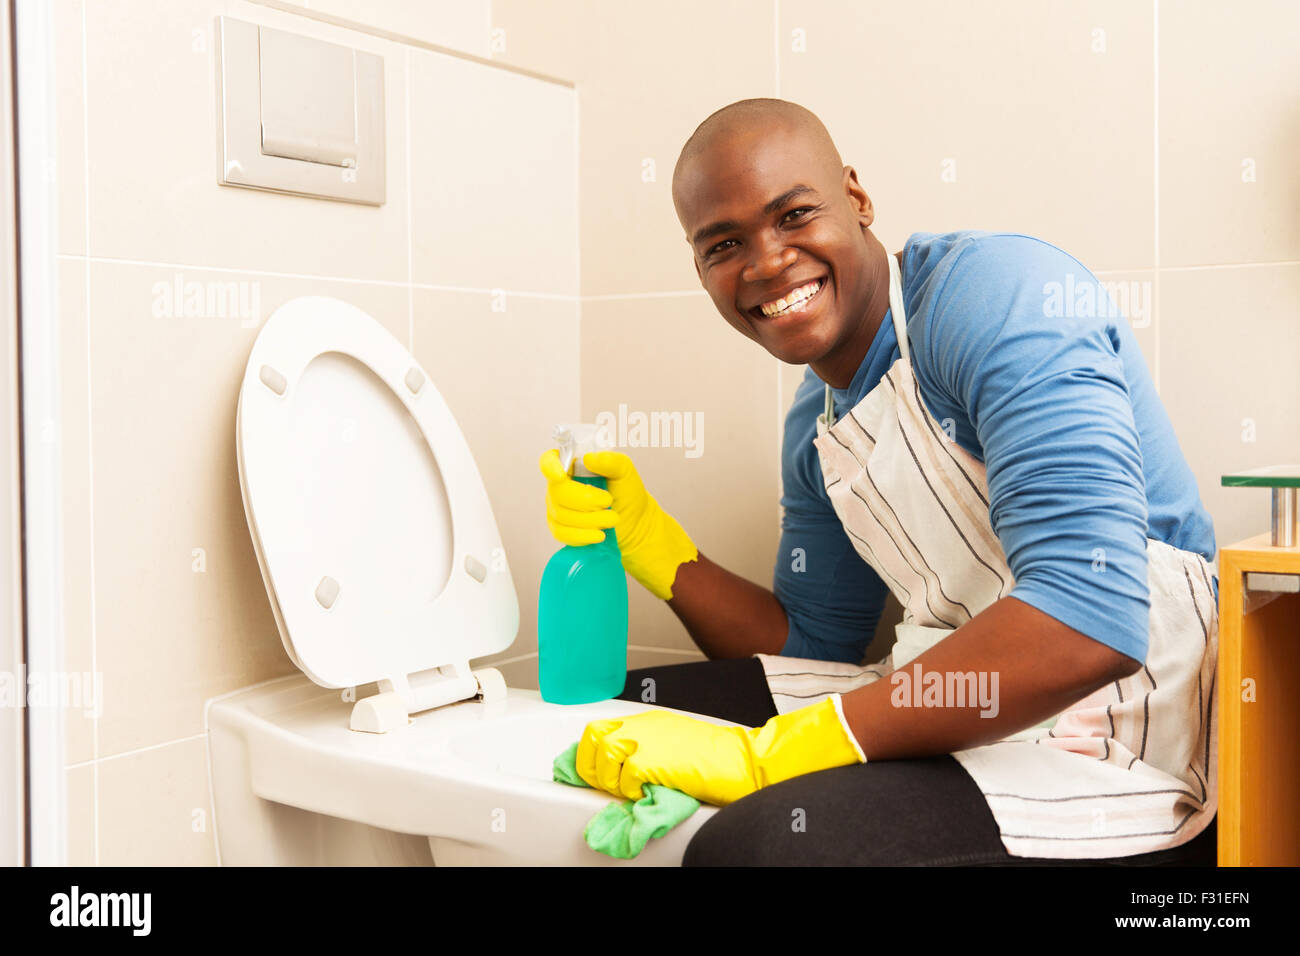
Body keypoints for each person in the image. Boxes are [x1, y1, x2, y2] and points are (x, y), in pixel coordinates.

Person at [538, 98, 1219, 866]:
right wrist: (654, 546)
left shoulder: (997, 297)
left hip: (1113, 733)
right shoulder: (819, 421)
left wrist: (775, 758)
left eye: (793, 215)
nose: (765, 263)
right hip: (935, 696)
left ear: (857, 199)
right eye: (724, 244)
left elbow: (1086, 619)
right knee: (606, 720)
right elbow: (813, 646)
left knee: (759, 848)